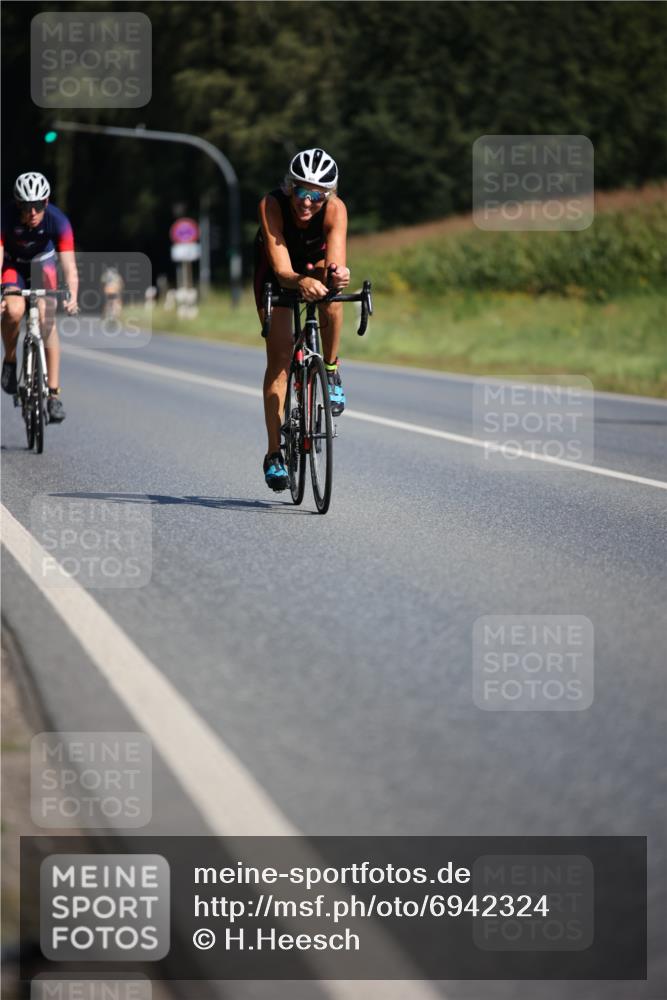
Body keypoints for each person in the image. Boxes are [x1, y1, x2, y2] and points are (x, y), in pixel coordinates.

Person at [254, 148, 350, 491]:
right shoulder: (272, 204)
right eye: (300, 191)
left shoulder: (336, 210)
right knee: (279, 361)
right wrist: (300, 281)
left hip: (315, 265)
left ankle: (331, 370)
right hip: (275, 273)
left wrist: (336, 278)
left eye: (317, 195)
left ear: (328, 196)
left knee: (330, 297)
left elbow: (334, 262)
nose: (307, 202)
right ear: (289, 187)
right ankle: (274, 453)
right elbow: (281, 271)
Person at [1, 171, 79, 423]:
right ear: (17, 204)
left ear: (46, 202)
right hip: (12, 265)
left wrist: (73, 296)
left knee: (47, 320)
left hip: (42, 263)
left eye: (37, 206)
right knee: (13, 310)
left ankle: (54, 395)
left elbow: (69, 266)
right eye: (26, 206)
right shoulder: (4, 217)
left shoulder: (58, 221)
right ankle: (11, 360)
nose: (32, 213)